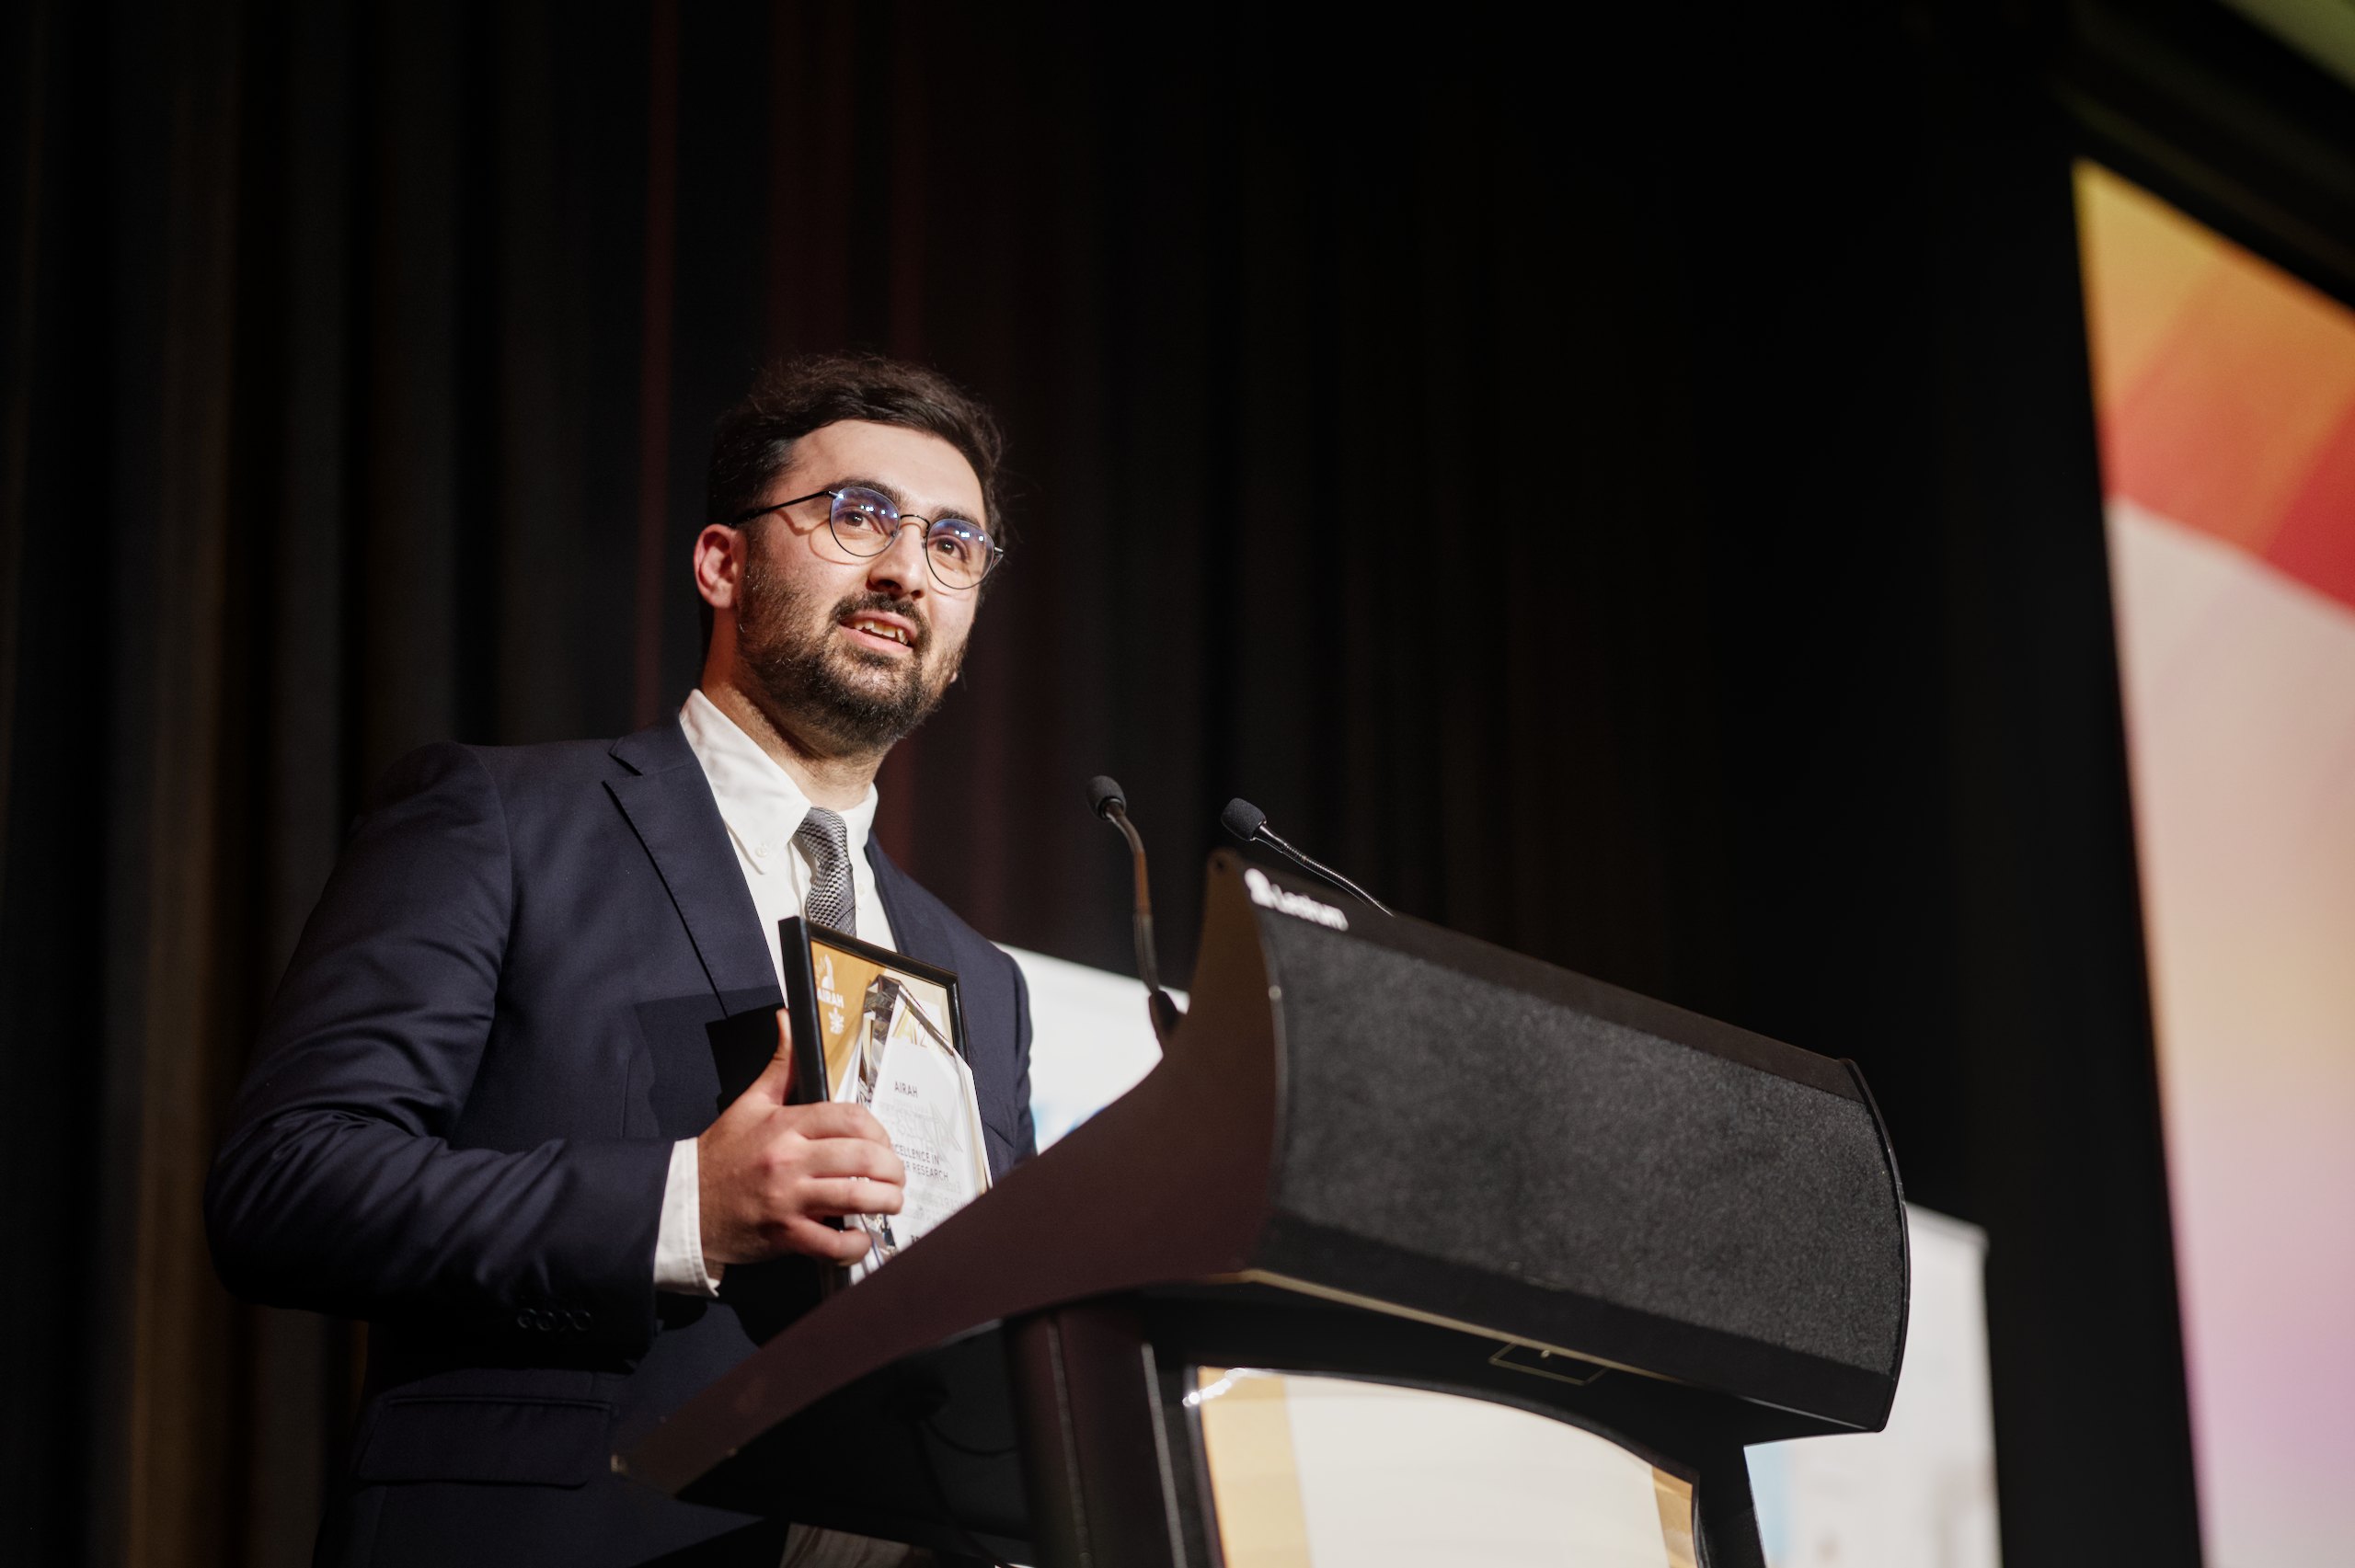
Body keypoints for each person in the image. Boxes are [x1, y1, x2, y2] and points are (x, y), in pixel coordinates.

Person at [205, 354, 1036, 1568]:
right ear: (722, 563)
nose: (907, 568)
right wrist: (683, 1205)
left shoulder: (984, 979)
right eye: (858, 515)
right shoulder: (500, 821)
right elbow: (287, 1184)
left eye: (954, 542)